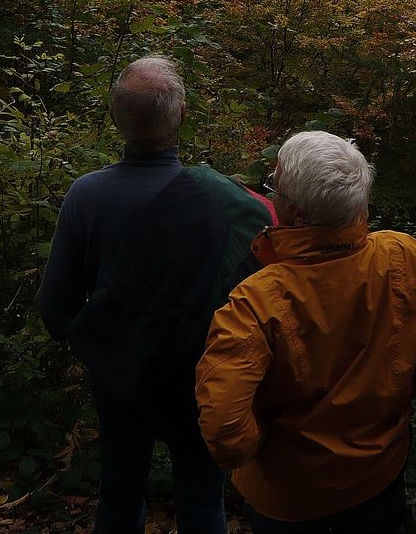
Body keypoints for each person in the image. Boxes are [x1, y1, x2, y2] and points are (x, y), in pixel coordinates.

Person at [196, 130, 416, 533]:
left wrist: (263, 447)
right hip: (379, 477)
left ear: (293, 212)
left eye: (273, 186)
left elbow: (226, 434)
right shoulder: (404, 257)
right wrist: (396, 381)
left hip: (288, 499)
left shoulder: (255, 300)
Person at [37, 55, 273, 534]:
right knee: (204, 504)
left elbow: (54, 307)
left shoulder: (87, 195)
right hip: (199, 374)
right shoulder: (219, 199)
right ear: (182, 116)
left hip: (120, 375)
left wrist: (102, 347)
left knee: (119, 494)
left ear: (115, 118)